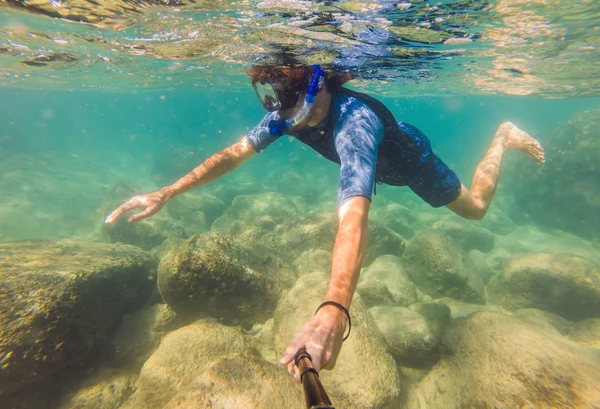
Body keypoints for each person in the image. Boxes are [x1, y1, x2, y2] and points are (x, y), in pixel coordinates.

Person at [105, 64, 545, 382]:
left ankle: (502, 136)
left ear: (319, 85)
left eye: (289, 99)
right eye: (275, 99)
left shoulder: (355, 125)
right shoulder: (286, 115)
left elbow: (353, 217)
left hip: (413, 163)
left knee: (477, 207)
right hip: (385, 161)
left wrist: (334, 306)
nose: (282, 111)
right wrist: (166, 192)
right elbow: (232, 156)